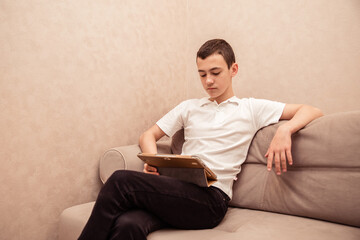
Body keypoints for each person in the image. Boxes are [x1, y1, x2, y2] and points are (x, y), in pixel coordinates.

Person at [78, 39, 323, 240]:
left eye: (215, 73)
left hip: (210, 200)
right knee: (129, 224)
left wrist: (285, 130)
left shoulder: (250, 108)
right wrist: (153, 160)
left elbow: (311, 110)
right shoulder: (189, 107)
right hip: (176, 190)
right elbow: (148, 135)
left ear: (233, 70)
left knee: (121, 181)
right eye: (202, 74)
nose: (208, 81)